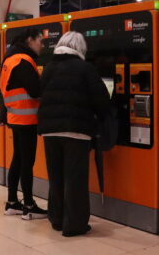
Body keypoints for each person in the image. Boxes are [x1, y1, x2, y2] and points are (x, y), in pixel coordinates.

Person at [38, 31, 111, 237]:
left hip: (50, 130)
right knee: (75, 179)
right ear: (80, 48)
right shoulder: (85, 68)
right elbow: (101, 99)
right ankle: (74, 225)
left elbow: (40, 93)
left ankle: (57, 219)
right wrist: (101, 118)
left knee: (56, 177)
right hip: (76, 130)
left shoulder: (49, 67)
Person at [0, 28, 48, 220]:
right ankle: (29, 205)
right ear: (29, 40)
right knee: (27, 162)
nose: (42, 46)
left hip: (15, 117)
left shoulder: (9, 60)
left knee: (18, 159)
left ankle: (12, 202)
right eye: (39, 41)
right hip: (27, 119)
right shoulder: (23, 60)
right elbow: (35, 90)